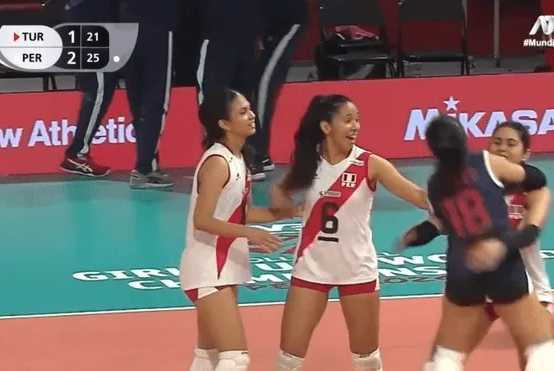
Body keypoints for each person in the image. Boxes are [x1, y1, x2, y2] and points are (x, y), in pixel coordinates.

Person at [267, 94, 428, 371]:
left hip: (356, 268)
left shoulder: (370, 163)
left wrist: (458, 196)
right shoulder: (310, 163)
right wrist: (293, 210)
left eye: (357, 120)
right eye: (347, 120)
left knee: (367, 361)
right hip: (311, 267)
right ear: (326, 127)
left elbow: (417, 195)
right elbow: (277, 191)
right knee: (287, 360)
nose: (355, 126)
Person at [403, 114, 554, 371]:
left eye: (510, 143)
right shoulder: (481, 172)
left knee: (524, 353)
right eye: (497, 142)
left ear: (525, 152)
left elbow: (530, 230)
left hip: (525, 280)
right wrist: (421, 232)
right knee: (444, 355)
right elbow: (441, 222)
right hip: (499, 277)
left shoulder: (530, 192)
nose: (502, 148)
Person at [179, 88, 299, 371]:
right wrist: (251, 233)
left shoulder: (237, 159)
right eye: (243, 111)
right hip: (209, 268)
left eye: (250, 108)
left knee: (207, 355)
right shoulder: (218, 163)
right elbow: (203, 220)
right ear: (224, 123)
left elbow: (240, 213)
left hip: (222, 268)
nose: (252, 115)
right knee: (234, 359)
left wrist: (288, 212)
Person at [247, 0, 309, 181]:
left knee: (264, 82)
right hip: (262, 23)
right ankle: (260, 152)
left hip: (288, 20)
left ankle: (256, 152)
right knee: (253, 82)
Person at [119, 0, 178, 188]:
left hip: (127, 27)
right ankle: (144, 169)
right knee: (155, 102)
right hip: (156, 27)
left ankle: (147, 165)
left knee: (137, 101)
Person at [59, 0, 118, 177]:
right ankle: (76, 154)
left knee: (101, 88)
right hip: (90, 24)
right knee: (98, 89)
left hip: (94, 23)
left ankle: (77, 153)